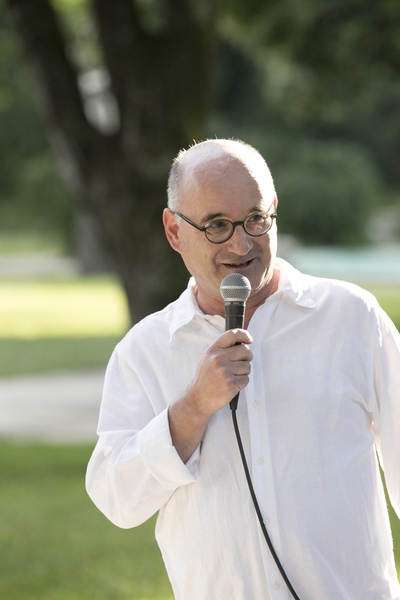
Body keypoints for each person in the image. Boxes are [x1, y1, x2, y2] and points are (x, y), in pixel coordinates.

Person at [86, 138, 400, 599]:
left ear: (274, 210)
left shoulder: (352, 318)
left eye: (255, 218)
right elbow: (117, 500)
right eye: (216, 225)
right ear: (174, 231)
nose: (241, 242)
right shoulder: (145, 352)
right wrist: (193, 409)